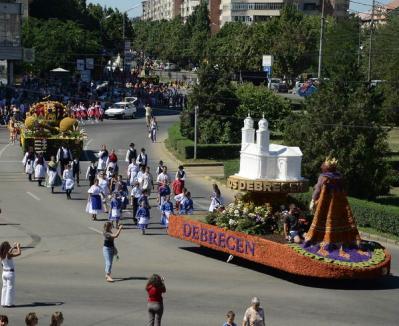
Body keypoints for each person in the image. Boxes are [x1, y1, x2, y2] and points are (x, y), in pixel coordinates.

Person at [1, 241, 21, 307]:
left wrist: (12, 247)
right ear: (6, 248)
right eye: (8, 246)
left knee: (4, 288)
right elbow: (19, 253)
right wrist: (18, 247)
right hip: (10, 273)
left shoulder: (1, 254)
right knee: (10, 288)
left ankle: (3, 303)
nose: (9, 247)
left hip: (4, 273)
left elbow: (9, 252)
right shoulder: (8, 254)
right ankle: (9, 303)